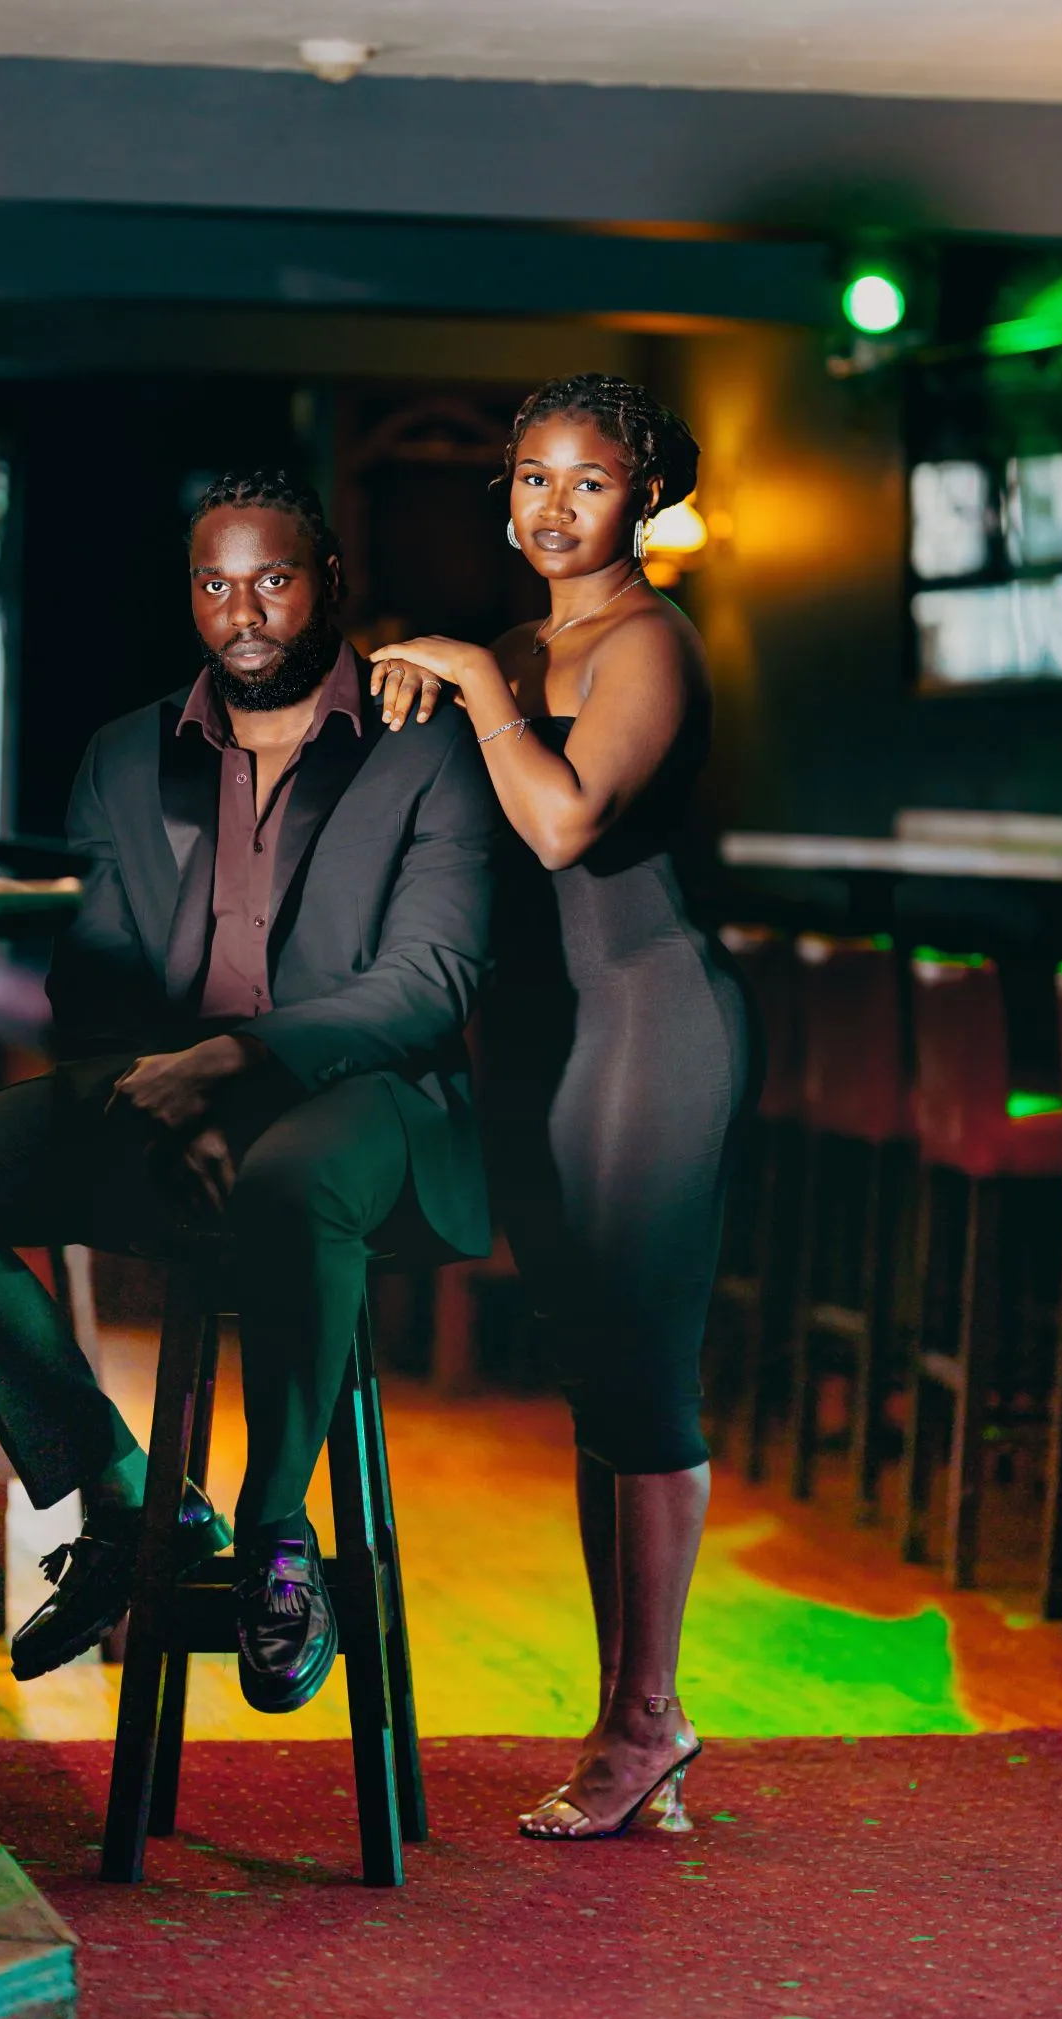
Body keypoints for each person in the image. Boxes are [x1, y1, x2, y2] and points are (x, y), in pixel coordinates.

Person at [0, 471, 500, 1715]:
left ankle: (277, 1532)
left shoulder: (427, 749)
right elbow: (99, 983)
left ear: (327, 583)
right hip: (163, 1092)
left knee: (293, 1177)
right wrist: (160, 1096)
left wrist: (235, 1072)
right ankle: (131, 1494)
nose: (243, 612)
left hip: (369, 1102)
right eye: (215, 584)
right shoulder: (124, 756)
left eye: (274, 581)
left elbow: (429, 978)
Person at [370, 373, 753, 1840]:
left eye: (584, 481)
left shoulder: (648, 643)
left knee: (643, 1368)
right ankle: (630, 1712)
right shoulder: (526, 641)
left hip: (652, 1024)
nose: (550, 506)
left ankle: (646, 1720)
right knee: (593, 1372)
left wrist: (468, 679)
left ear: (643, 490)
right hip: (536, 1034)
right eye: (529, 478)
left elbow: (563, 818)